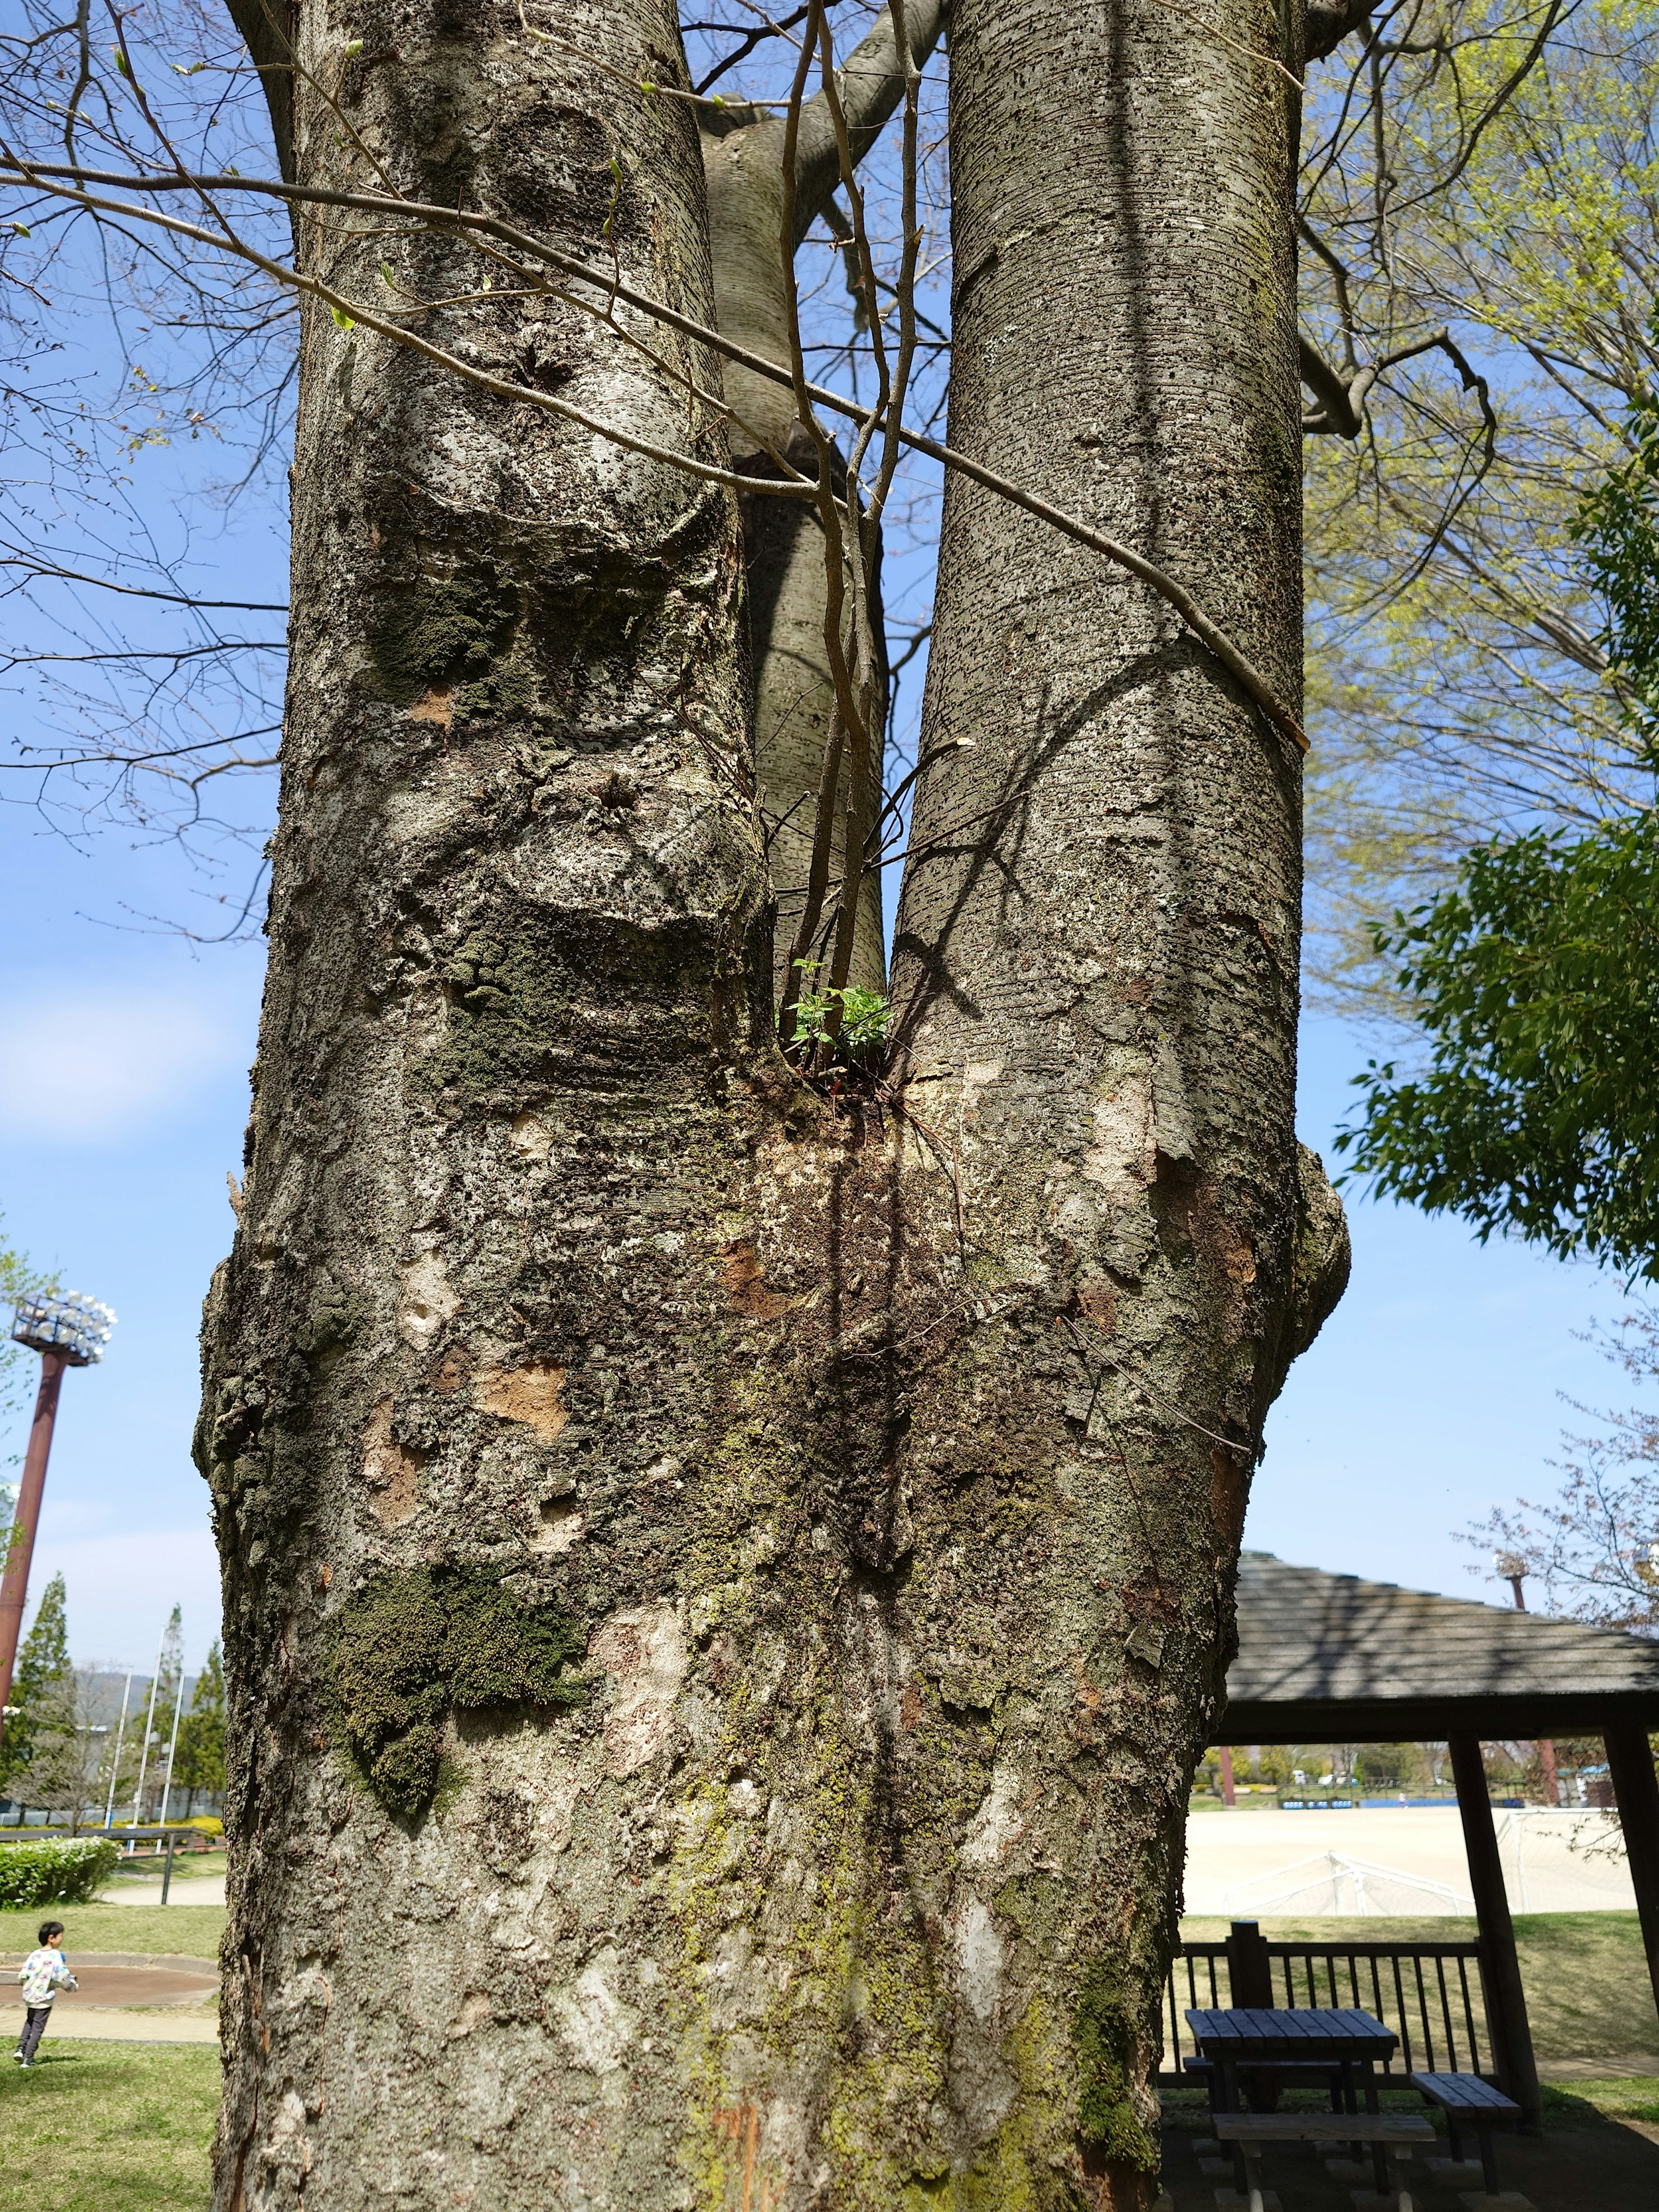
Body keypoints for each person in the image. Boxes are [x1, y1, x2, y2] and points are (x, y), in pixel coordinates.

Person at [14, 1920, 77, 2067]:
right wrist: (73, 1986)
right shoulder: (55, 1956)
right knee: (38, 2027)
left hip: (30, 1996)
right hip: (44, 1999)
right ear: (52, 1938)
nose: (62, 1939)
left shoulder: (35, 1954)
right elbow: (62, 1977)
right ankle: (29, 2058)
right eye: (61, 1936)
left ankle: (20, 2049)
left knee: (29, 2022)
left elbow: (22, 1975)